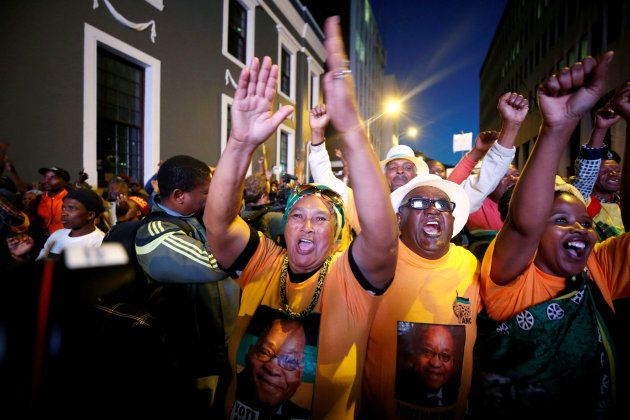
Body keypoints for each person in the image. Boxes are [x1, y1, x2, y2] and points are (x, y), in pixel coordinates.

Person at [204, 16, 398, 419]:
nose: (307, 226)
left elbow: (381, 241)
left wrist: (351, 130)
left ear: (340, 233)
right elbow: (219, 225)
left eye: (321, 219)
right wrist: (239, 143)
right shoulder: (264, 263)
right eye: (297, 217)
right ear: (283, 224)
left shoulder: (348, 284)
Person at [470, 52, 629, 418]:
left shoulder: (598, 266)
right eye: (558, 219)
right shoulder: (510, 278)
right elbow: (524, 225)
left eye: (585, 224)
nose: (579, 229)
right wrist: (556, 127)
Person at [363, 174, 480, 419]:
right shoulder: (376, 263)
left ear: (451, 218)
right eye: (418, 203)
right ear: (399, 218)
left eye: (442, 205)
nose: (433, 210)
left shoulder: (469, 263)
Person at [134, 154, 239, 416]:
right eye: (206, 191)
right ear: (179, 195)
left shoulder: (198, 216)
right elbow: (214, 263)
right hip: (193, 359)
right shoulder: (154, 232)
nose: (211, 196)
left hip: (225, 350)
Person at [235, 317, 310, 419]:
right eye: (265, 352)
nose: (273, 369)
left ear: (300, 375)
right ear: (250, 353)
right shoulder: (217, 389)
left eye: (290, 361)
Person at [396, 325, 464, 408]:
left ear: (453, 361)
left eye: (445, 355)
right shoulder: (399, 389)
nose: (435, 364)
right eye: (427, 351)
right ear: (415, 354)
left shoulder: (459, 392)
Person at [36, 188, 105, 260]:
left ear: (90, 215)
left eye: (71, 208)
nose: (63, 213)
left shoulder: (99, 242)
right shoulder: (57, 234)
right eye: (63, 208)